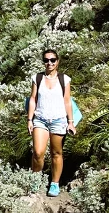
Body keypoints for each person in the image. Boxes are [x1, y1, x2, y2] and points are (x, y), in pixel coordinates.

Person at [27, 48, 76, 196]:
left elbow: (67, 101)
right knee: (38, 152)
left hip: (58, 120)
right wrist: (29, 120)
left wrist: (71, 122)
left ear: (57, 62)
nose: (49, 63)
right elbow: (33, 99)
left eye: (52, 60)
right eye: (46, 60)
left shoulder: (64, 79)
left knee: (56, 153)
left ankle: (54, 183)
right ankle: (36, 179)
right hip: (40, 119)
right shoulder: (37, 78)